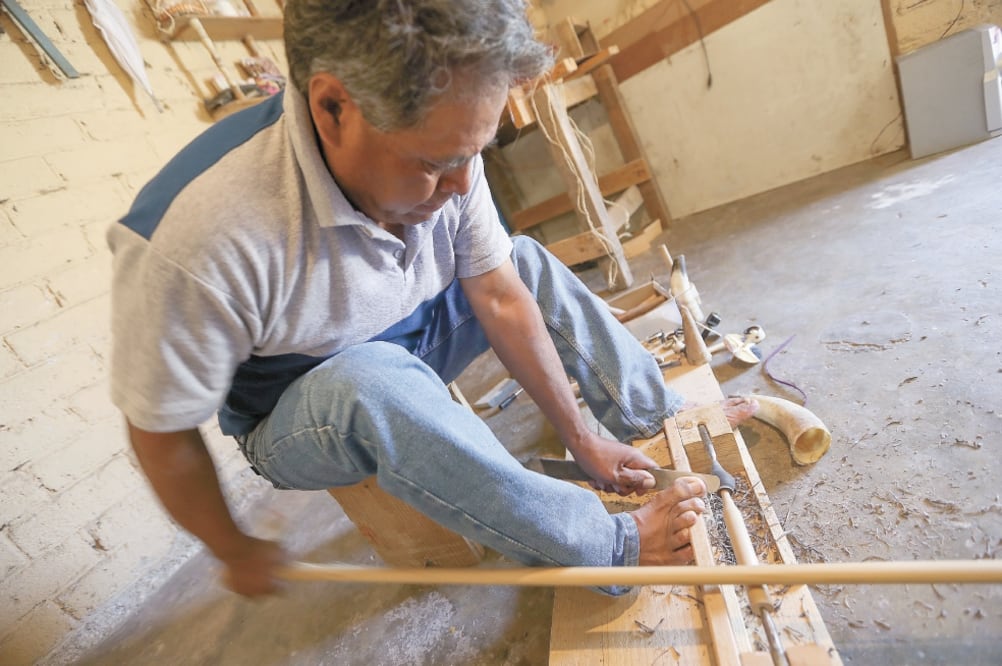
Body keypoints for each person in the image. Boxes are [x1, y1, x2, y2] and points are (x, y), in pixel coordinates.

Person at [108, 0, 750, 598]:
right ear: (333, 108)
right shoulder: (194, 239)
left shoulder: (451, 157)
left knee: (520, 261)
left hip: (407, 335)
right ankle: (605, 547)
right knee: (371, 380)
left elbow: (498, 295)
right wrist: (231, 547)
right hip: (297, 413)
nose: (465, 182)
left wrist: (580, 437)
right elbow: (161, 434)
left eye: (476, 152)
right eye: (436, 161)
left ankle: (652, 418)